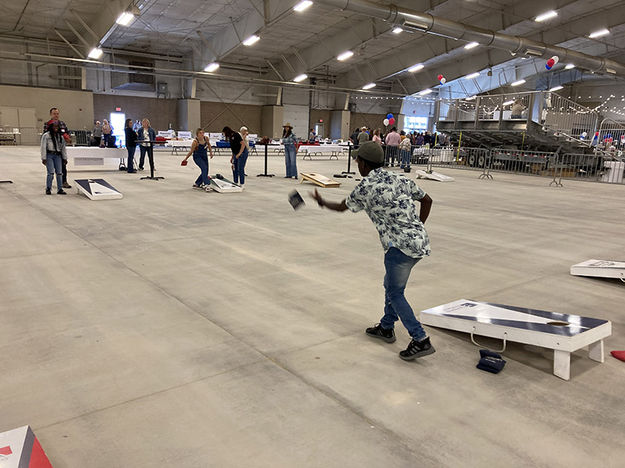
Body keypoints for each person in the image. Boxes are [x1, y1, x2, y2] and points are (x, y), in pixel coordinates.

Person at [311, 141, 434, 360]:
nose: (357, 163)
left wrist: (322, 202)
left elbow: (341, 207)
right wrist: (419, 227)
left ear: (365, 164)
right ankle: (386, 326)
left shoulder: (366, 186)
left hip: (398, 248)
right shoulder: (399, 178)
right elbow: (427, 200)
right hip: (419, 242)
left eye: (358, 160)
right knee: (391, 285)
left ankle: (420, 338)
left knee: (395, 293)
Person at [43, 107, 71, 189]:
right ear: (51, 114)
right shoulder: (47, 124)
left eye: (57, 113)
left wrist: (68, 138)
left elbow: (66, 132)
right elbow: (45, 136)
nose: (56, 115)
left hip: (60, 149)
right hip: (51, 150)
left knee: (63, 166)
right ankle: (49, 186)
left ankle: (64, 181)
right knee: (51, 170)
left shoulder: (62, 123)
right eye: (54, 113)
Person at [40, 121, 68, 195]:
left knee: (59, 173)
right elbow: (43, 147)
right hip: (49, 155)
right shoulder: (46, 136)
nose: (56, 128)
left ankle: (60, 189)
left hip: (58, 156)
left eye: (57, 127)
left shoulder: (60, 136)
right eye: (54, 127)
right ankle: (48, 188)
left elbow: (63, 148)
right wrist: (43, 158)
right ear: (51, 127)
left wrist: (64, 158)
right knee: (51, 173)